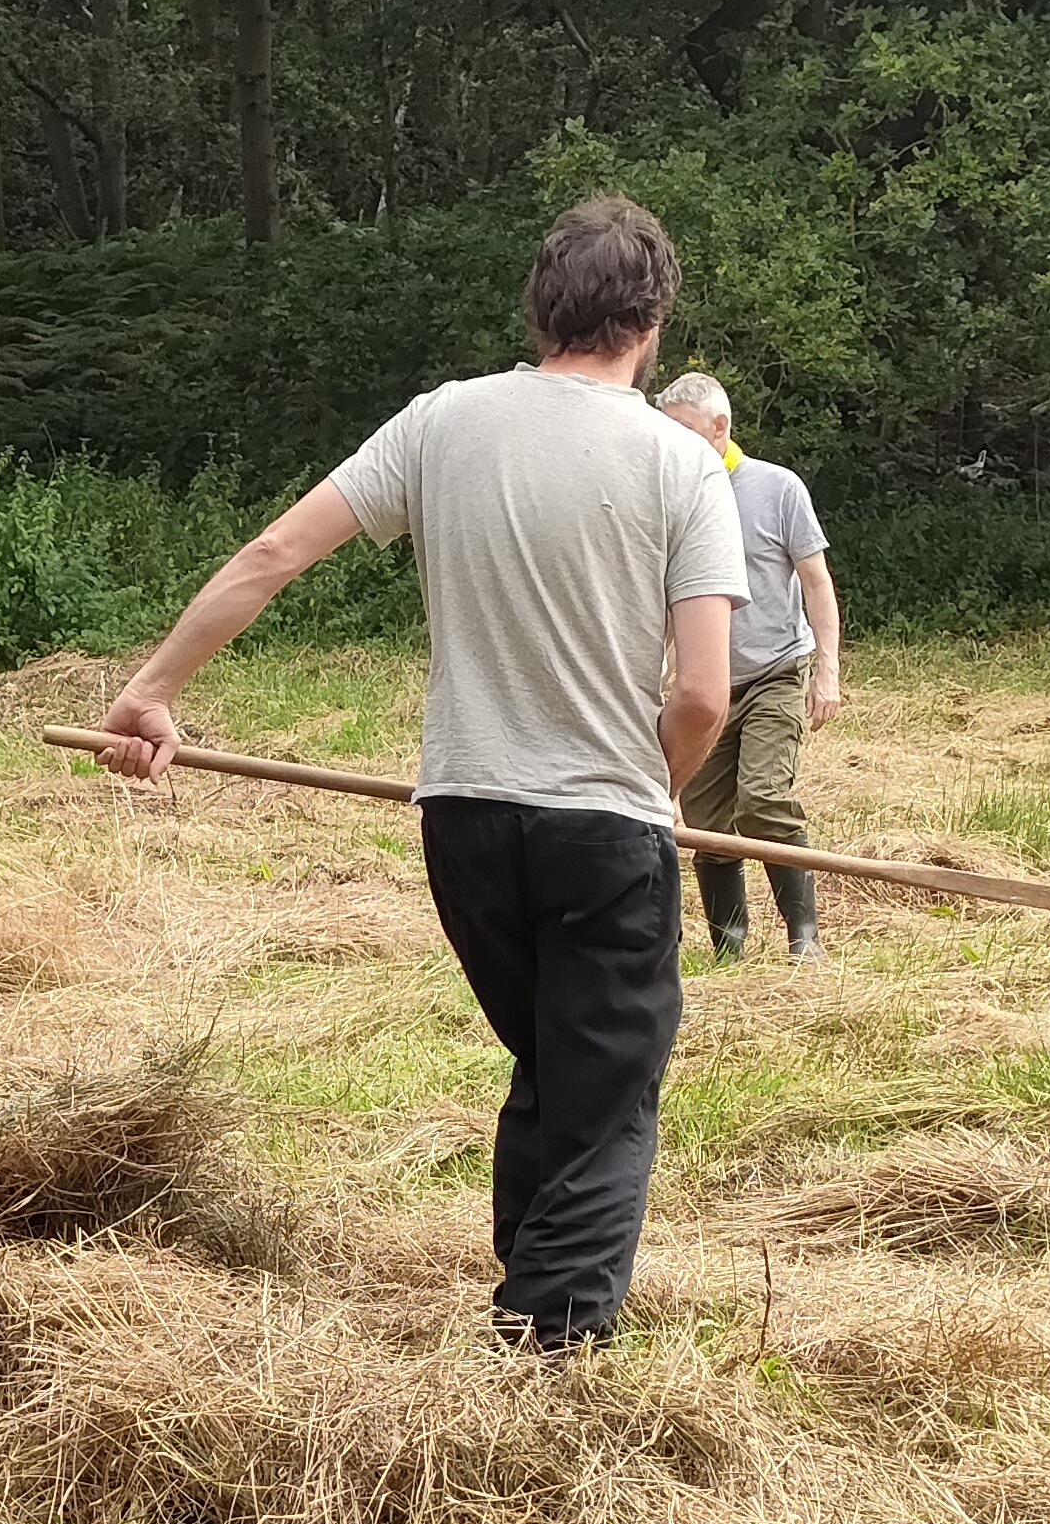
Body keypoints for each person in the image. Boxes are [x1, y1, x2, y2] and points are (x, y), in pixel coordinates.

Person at [90, 197, 738, 1351]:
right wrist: (661, 789)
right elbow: (699, 695)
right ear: (649, 324)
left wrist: (154, 690)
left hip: (465, 821)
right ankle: (548, 1351)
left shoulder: (443, 422)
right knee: (606, 1097)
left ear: (543, 306)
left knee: (553, 1060)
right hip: (601, 827)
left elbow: (272, 552)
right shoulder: (680, 466)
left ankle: (526, 1295)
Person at [650, 371, 843, 963]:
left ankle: (802, 939)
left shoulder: (776, 488)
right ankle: (729, 950)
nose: (673, 444)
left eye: (685, 432)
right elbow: (660, 601)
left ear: (720, 428)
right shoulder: (667, 495)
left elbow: (816, 580)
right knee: (707, 824)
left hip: (776, 671)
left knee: (761, 799)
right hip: (707, 687)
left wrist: (827, 670)